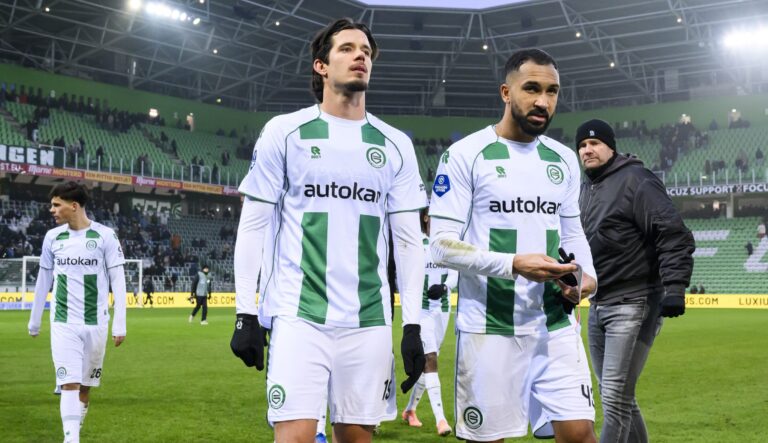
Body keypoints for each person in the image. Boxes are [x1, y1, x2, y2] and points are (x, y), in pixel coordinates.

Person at [228, 17, 427, 443]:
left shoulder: (395, 144)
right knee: (295, 436)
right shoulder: (284, 132)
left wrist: (413, 326)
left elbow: (409, 244)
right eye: (347, 48)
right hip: (299, 315)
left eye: (366, 51)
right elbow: (253, 226)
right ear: (321, 66)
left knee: (355, 437)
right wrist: (245, 312)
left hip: (369, 320)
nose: (360, 56)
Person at [429, 49, 598, 442]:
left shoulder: (562, 159)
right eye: (532, 89)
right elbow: (440, 246)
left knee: (581, 435)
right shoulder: (465, 155)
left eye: (552, 91)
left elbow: (572, 232)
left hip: (554, 324)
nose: (543, 101)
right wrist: (514, 264)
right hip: (490, 328)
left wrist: (587, 277)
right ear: (506, 92)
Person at [576, 118, 695, 443]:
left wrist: (675, 286)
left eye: (595, 143)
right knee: (617, 396)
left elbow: (672, 232)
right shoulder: (585, 190)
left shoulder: (637, 180)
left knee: (615, 399)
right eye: (582, 145)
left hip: (635, 301)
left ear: (611, 147)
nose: (587, 150)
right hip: (599, 303)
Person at [27, 181, 127, 443]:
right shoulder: (53, 238)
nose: (52, 210)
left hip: (96, 322)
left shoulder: (105, 236)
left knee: (84, 387)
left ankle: (74, 431)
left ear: (73, 206)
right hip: (63, 321)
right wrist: (35, 320)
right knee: (68, 383)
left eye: (56, 204)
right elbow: (44, 279)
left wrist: (120, 324)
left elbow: (118, 280)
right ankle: (71, 439)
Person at [401, 209, 456, 437]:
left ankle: (410, 410)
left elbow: (455, 273)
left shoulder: (446, 245)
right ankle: (440, 420)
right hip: (421, 311)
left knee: (428, 362)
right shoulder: (417, 244)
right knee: (430, 358)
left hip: (442, 310)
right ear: (426, 217)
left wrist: (445, 287)